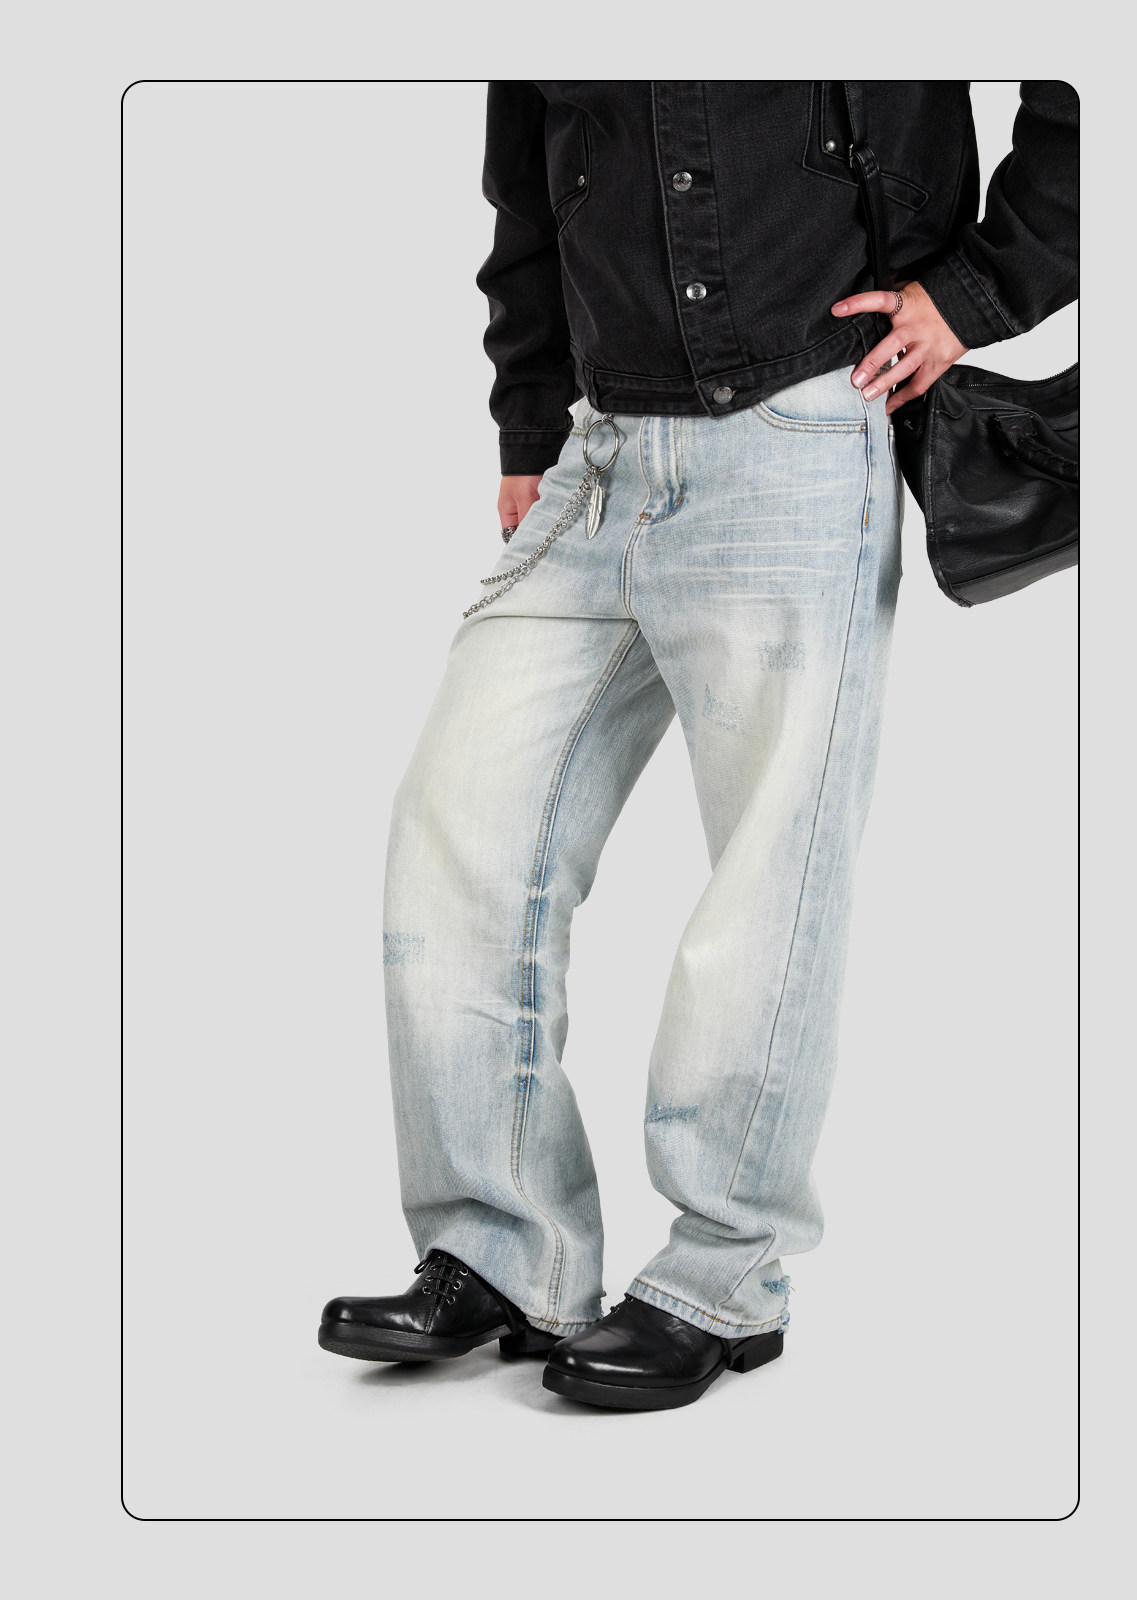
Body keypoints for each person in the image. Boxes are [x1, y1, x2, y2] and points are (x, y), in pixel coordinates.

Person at [318, 81, 1079, 1411]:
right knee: (457, 831)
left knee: (766, 882)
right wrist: (529, 415)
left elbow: (1121, 73)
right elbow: (525, 180)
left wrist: (976, 291)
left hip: (801, 421)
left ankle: (723, 1280)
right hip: (596, 451)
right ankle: (503, 1252)